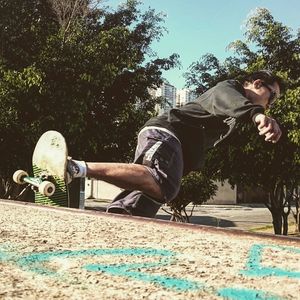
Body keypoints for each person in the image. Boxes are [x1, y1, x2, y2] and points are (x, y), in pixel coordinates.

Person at [67, 70, 283, 218]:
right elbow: (228, 100)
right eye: (271, 97)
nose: (269, 104)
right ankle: (76, 167)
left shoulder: (233, 116)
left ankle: (118, 220)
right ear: (257, 84)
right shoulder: (229, 88)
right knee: (162, 183)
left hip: (170, 142)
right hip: (167, 133)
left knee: (146, 198)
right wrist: (258, 116)